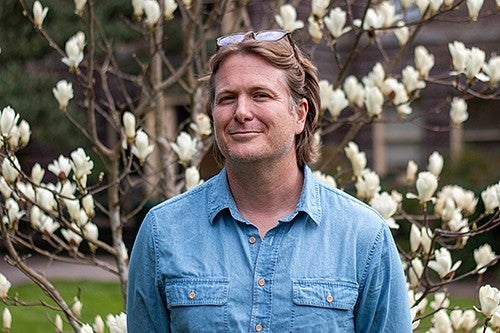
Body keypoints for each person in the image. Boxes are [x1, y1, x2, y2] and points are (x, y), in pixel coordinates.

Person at [127, 30, 412, 332]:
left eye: (260, 95)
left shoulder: (363, 237)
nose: (241, 112)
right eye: (227, 98)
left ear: (299, 115)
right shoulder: (163, 232)